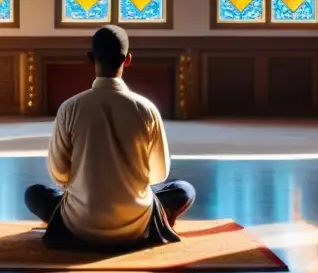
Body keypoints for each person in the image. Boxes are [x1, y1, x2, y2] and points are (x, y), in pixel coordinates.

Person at [24, 25, 196, 252]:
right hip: (137, 223)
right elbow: (158, 174)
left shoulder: (70, 108)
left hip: (79, 223)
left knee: (34, 194)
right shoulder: (146, 109)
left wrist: (85, 188)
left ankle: (72, 225)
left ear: (90, 59)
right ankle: (153, 223)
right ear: (128, 60)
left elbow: (59, 173)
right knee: (184, 190)